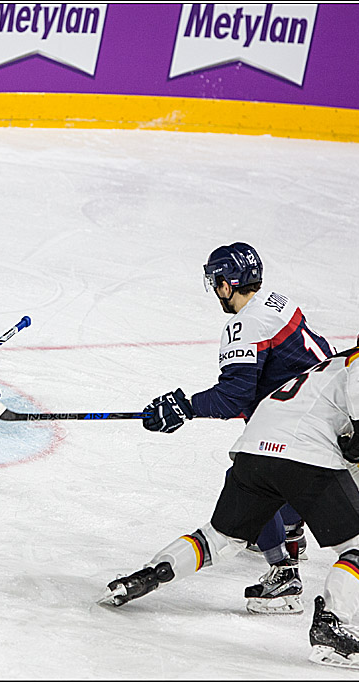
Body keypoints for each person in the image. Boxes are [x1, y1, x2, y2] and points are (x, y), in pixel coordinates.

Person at [101, 305, 359, 671]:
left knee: (219, 538)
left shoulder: (328, 368)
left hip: (256, 451)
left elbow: (344, 447)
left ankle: (146, 575)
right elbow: (353, 418)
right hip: (304, 457)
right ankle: (331, 626)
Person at [141, 242, 333, 613]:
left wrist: (183, 407)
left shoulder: (245, 324)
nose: (215, 291)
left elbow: (234, 398)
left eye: (216, 282)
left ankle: (284, 573)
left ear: (228, 283)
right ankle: (291, 528)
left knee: (251, 478)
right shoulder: (278, 302)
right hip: (325, 414)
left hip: (303, 427)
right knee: (270, 464)